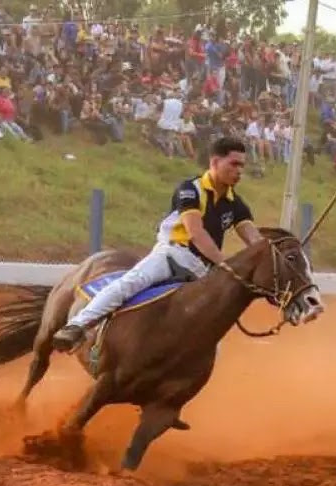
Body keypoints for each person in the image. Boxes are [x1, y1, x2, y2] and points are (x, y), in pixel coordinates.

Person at [52, 136, 264, 352]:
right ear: (215, 162)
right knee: (132, 282)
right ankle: (76, 325)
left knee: (212, 339)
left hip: (203, 269)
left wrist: (274, 256)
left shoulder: (236, 203)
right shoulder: (190, 189)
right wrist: (226, 265)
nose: (239, 171)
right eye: (234, 164)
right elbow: (196, 232)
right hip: (172, 255)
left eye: (242, 166)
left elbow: (255, 241)